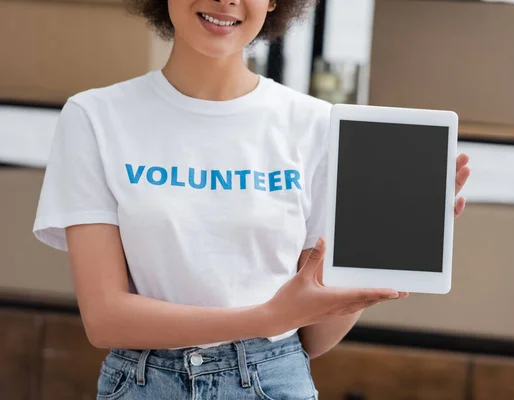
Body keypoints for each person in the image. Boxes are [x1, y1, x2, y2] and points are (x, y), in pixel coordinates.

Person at [32, 0, 471, 398]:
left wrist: (386, 250)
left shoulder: (319, 125)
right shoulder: (95, 117)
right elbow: (106, 319)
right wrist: (267, 318)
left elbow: (313, 338)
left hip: (274, 381)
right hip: (142, 384)